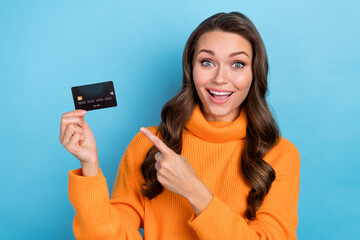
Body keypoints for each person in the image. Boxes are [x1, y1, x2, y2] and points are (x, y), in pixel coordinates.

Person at [59, 11, 300, 240]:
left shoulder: (280, 155)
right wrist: (89, 166)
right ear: (190, 69)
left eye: (237, 64)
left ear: (254, 73)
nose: (220, 78)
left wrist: (195, 191)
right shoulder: (149, 144)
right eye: (207, 62)